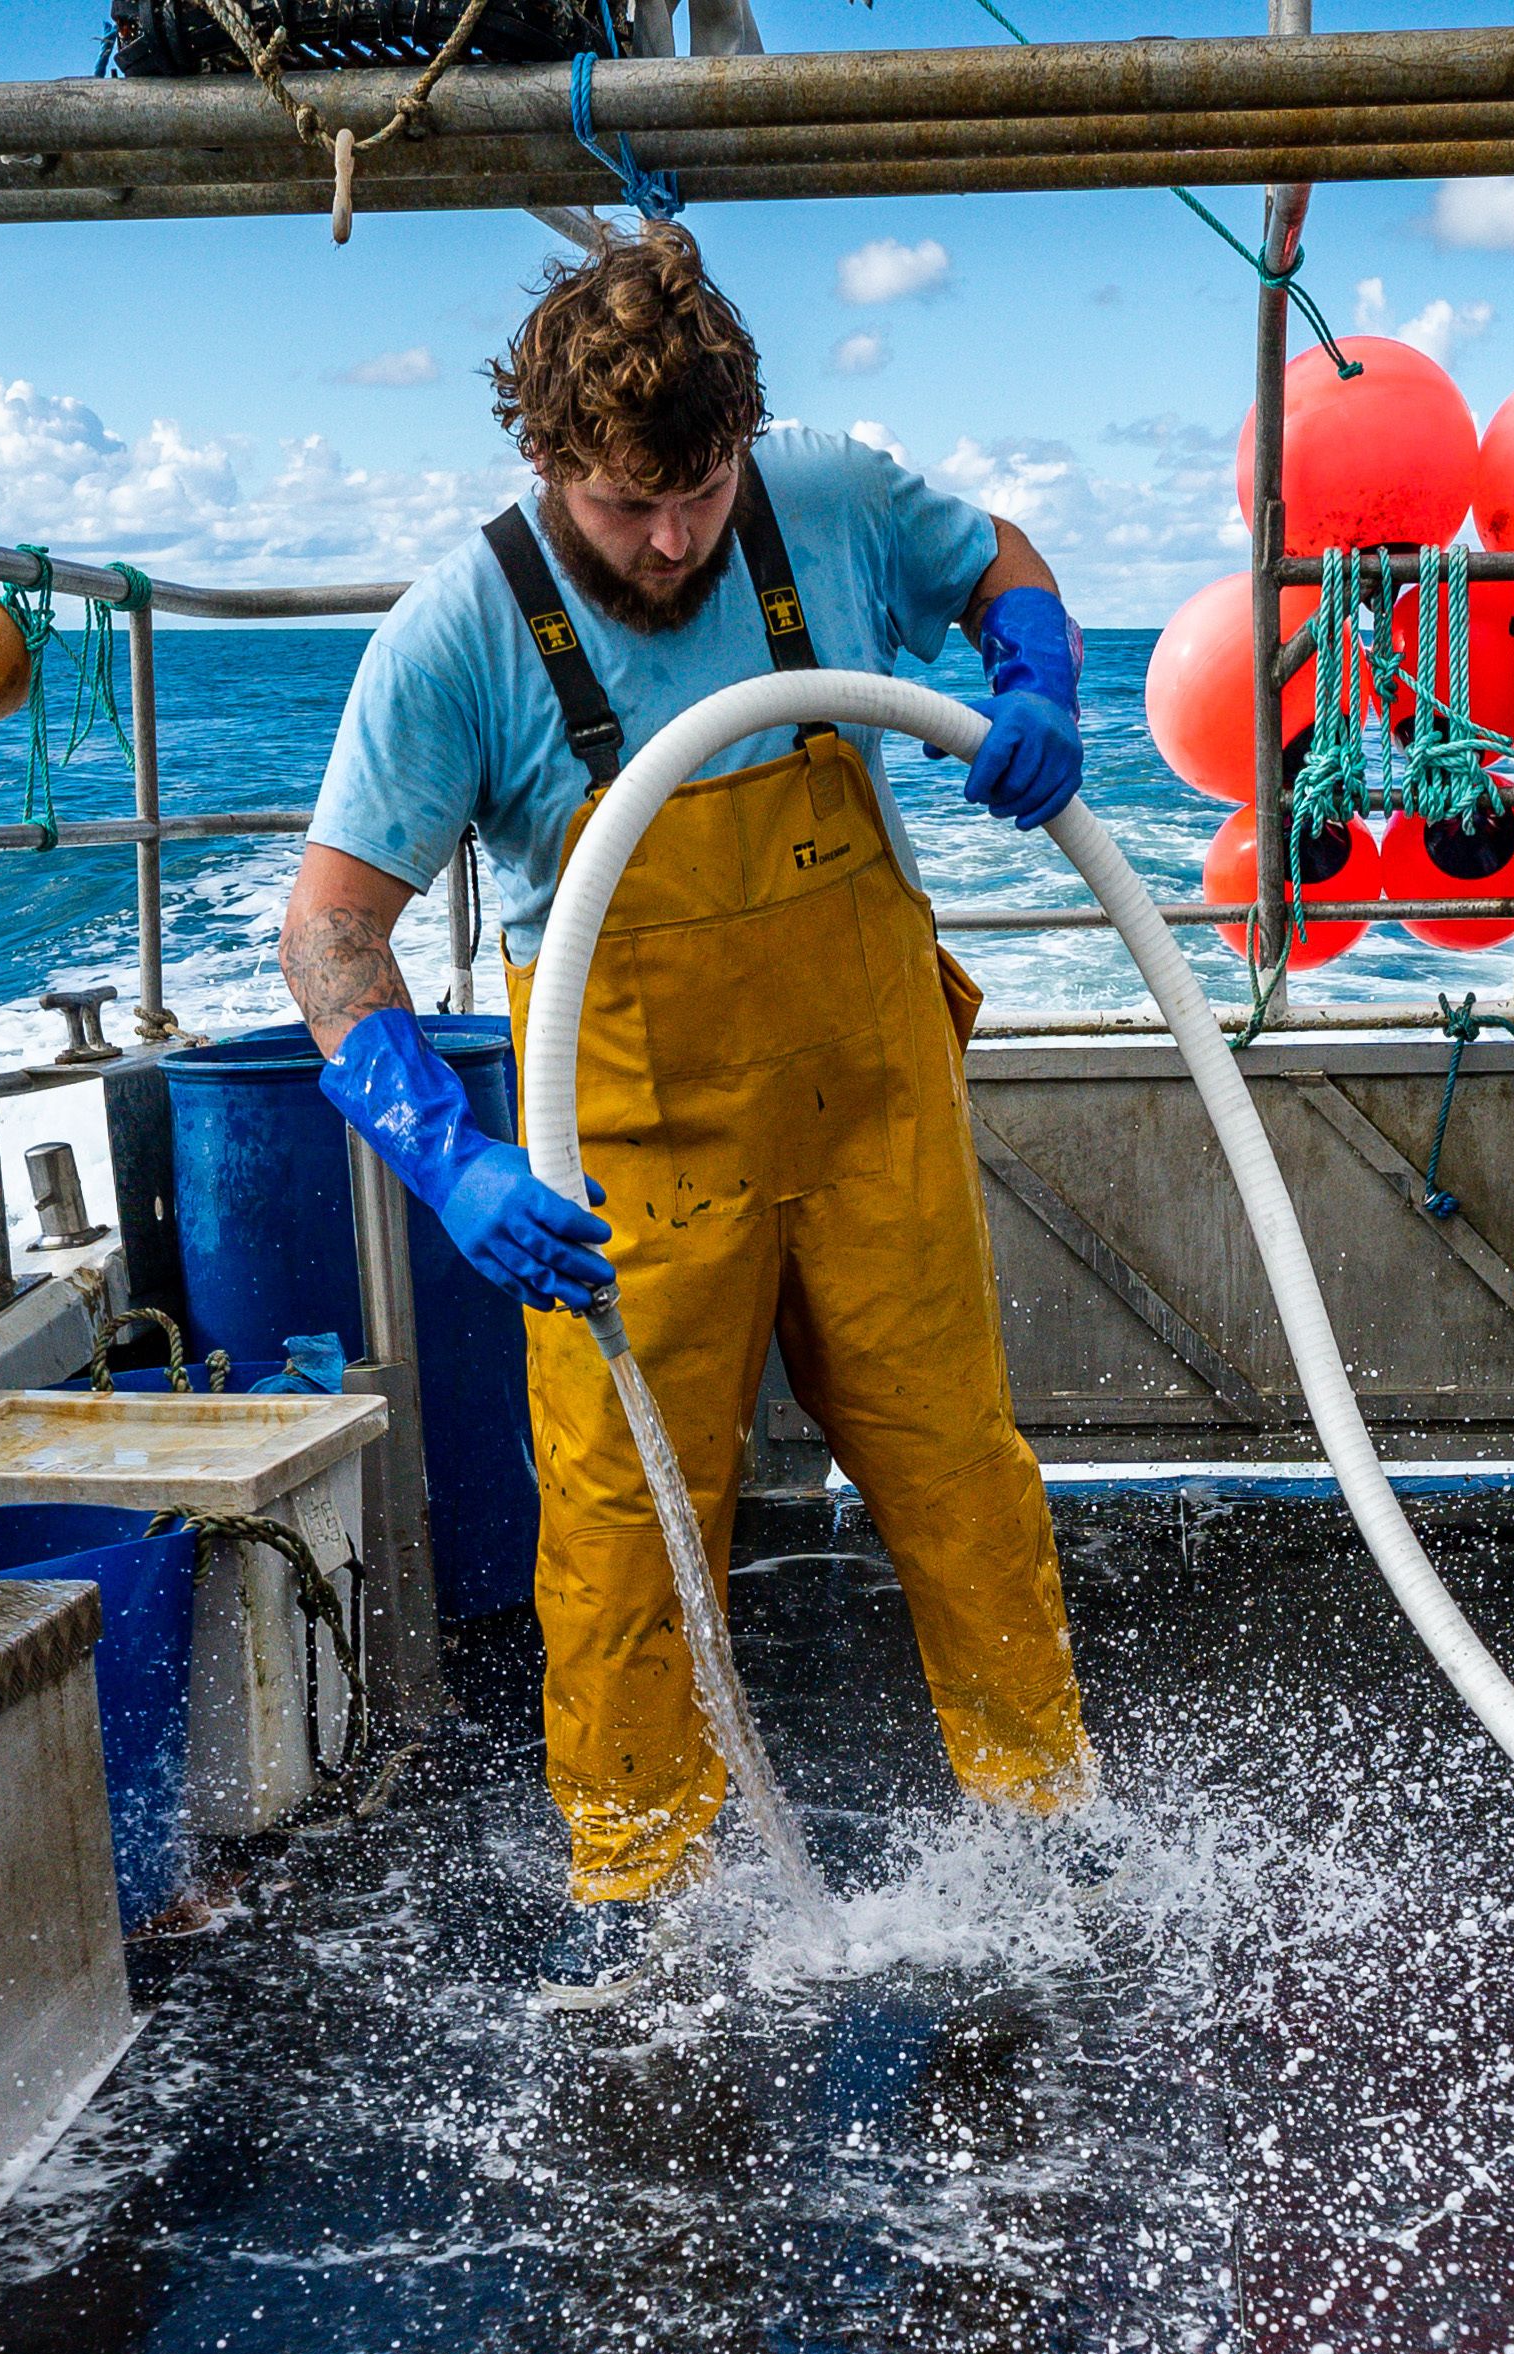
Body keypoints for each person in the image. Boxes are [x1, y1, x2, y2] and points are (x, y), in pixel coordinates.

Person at [283, 228, 1095, 1987]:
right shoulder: (456, 640)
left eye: (702, 494)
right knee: (627, 1540)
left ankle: (1048, 1827)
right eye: (629, 507)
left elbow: (998, 562)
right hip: (622, 1173)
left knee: (962, 1480)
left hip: (869, 1109)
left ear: (745, 443)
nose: (673, 542)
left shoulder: (824, 500)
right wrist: (451, 1163)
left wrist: (1035, 675)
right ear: (551, 462)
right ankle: (645, 1903)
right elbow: (332, 933)